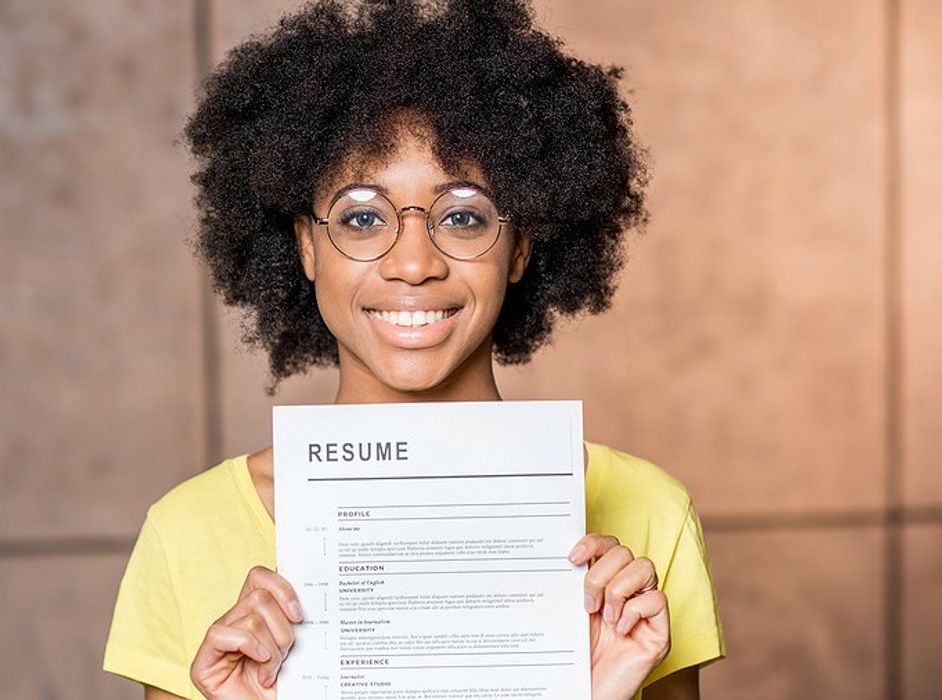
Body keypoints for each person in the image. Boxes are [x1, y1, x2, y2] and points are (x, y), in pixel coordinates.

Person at [105, 1, 725, 698]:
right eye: (362, 217)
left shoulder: (645, 511)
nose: (411, 263)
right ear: (306, 246)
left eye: (461, 216)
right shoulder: (189, 531)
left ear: (519, 246)